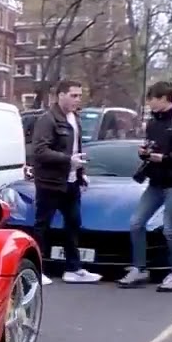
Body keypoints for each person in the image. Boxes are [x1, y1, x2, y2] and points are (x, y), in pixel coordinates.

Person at [118, 81, 172, 292]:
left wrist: (166, 158)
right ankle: (139, 268)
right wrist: (145, 152)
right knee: (136, 223)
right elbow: (152, 143)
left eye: (152, 99)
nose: (149, 104)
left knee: (170, 228)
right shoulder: (154, 122)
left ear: (165, 99)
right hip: (155, 181)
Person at [29, 79, 102, 285]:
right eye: (73, 95)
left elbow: (76, 149)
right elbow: (40, 151)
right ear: (60, 95)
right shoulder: (48, 120)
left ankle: (73, 268)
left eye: (79, 96)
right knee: (42, 225)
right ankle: (35, 270)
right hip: (50, 182)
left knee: (73, 224)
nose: (77, 100)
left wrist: (81, 172)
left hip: (71, 181)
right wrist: (68, 160)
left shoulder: (75, 118)